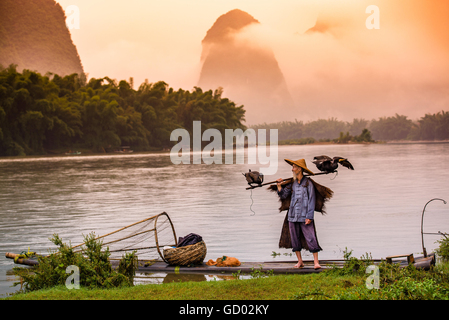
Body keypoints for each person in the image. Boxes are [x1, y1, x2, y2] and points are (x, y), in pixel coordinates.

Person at [276, 159, 322, 269]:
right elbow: (283, 195)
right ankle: (300, 261)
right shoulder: (292, 183)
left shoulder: (308, 183)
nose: (292, 169)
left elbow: (312, 200)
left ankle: (316, 262)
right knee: (294, 239)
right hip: (292, 215)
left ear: (300, 169)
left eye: (294, 167)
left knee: (311, 237)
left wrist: (309, 216)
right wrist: (279, 186)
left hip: (305, 216)